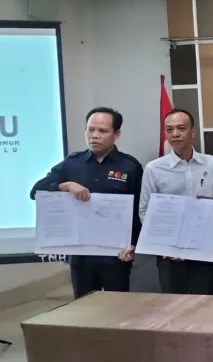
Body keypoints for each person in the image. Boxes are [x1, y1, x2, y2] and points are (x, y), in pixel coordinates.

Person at [30, 107, 142, 299]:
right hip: (81, 257)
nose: (95, 135)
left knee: (120, 308)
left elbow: (139, 211)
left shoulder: (130, 167)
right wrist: (66, 186)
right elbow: (36, 191)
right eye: (90, 130)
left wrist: (133, 244)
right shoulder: (72, 163)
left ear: (116, 134)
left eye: (102, 131)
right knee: (84, 310)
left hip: (116, 257)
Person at [139, 108, 213, 295]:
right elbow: (145, 211)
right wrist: (164, 246)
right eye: (169, 129)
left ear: (193, 131)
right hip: (169, 252)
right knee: (173, 304)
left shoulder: (212, 163)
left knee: (205, 300)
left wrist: (212, 201)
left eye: (181, 128)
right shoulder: (153, 169)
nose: (175, 134)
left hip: (204, 246)